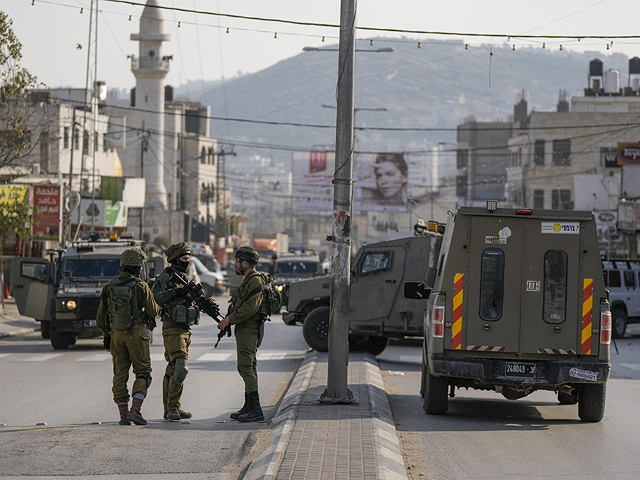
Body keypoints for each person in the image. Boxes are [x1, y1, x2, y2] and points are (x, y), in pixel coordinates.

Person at [97, 247, 161, 426]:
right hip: (138, 334)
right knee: (143, 373)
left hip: (117, 334)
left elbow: (101, 317)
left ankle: (123, 416)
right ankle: (136, 410)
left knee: (119, 375)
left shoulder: (110, 285)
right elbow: (153, 311)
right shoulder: (141, 286)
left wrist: (107, 336)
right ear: (139, 266)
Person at [217, 246, 267, 423]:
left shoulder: (255, 281)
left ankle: (256, 409)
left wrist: (229, 320)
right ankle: (249, 406)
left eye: (237, 262)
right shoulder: (249, 279)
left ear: (245, 263)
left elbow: (250, 308)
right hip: (245, 328)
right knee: (249, 366)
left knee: (246, 367)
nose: (235, 265)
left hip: (249, 328)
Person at [151, 242, 199, 421]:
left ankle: (173, 408)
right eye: (184, 258)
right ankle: (171, 408)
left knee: (174, 368)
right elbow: (154, 296)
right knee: (181, 369)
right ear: (175, 259)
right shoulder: (166, 277)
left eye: (188, 258)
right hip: (172, 328)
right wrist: (176, 292)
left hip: (185, 328)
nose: (187, 261)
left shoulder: (184, 277)